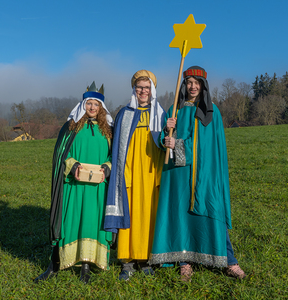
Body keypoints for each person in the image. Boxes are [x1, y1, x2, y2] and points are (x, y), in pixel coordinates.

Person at [149, 66, 246, 281]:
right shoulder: (175, 109)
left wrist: (178, 144)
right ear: (184, 85)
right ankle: (185, 262)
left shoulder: (211, 110)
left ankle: (229, 261)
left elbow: (206, 146)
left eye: (197, 83)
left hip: (204, 172)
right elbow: (162, 143)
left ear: (203, 86)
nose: (193, 86)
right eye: (189, 82)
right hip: (178, 174)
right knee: (181, 216)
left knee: (212, 212)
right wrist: (167, 130)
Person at [34, 82, 113, 284]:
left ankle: (86, 266)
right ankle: (56, 264)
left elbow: (115, 157)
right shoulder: (71, 127)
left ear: (102, 108)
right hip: (73, 185)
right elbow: (62, 154)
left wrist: (106, 167)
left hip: (97, 187)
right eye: (89, 104)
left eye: (96, 104)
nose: (93, 108)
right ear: (83, 105)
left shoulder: (108, 131)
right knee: (70, 221)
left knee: (91, 223)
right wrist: (74, 165)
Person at [104, 70, 166, 280]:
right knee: (128, 214)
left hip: (150, 173)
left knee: (148, 215)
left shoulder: (160, 113)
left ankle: (146, 259)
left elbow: (167, 143)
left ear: (152, 90)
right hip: (128, 174)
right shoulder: (125, 113)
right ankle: (127, 261)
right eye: (139, 87)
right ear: (134, 89)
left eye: (146, 87)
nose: (143, 91)